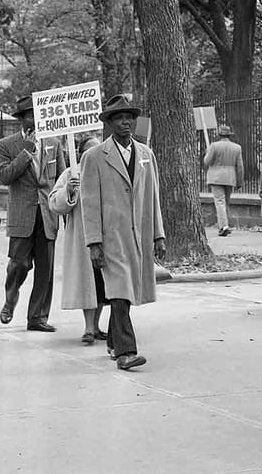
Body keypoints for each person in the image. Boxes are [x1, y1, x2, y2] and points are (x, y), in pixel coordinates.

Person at [81, 95, 165, 370]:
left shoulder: (146, 154)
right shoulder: (94, 157)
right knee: (119, 290)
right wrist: (93, 241)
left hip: (138, 234)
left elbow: (153, 196)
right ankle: (126, 352)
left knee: (126, 290)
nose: (125, 122)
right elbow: (89, 202)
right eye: (119, 118)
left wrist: (158, 234)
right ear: (109, 123)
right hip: (110, 236)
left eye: (129, 117)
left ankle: (114, 340)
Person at [0, 95, 66, 332]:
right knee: (19, 264)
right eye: (29, 116)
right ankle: (10, 297)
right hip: (21, 215)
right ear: (21, 120)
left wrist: (68, 202)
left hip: (47, 215)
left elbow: (62, 179)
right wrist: (26, 152)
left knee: (45, 270)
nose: (34, 120)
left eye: (37, 115)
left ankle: (37, 317)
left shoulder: (54, 143)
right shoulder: (6, 145)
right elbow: (5, 176)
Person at [49, 136, 107, 344]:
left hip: (106, 233)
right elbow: (54, 203)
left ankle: (97, 325)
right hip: (83, 235)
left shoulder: (107, 169)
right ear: (81, 153)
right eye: (88, 150)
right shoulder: (70, 174)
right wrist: (69, 190)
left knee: (102, 283)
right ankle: (89, 327)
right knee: (87, 280)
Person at [202, 124, 244, 237]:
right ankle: (225, 224)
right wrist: (240, 182)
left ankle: (224, 226)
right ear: (229, 135)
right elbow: (240, 166)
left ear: (219, 134)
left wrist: (208, 152)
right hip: (230, 177)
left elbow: (207, 161)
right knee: (226, 202)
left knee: (219, 201)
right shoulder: (237, 147)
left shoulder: (214, 146)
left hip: (216, 177)